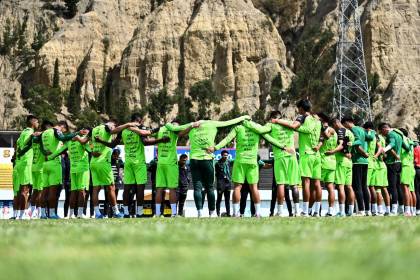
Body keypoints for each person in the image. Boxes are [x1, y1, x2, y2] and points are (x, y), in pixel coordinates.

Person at [166, 115, 249, 217]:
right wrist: (243, 117)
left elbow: (174, 129)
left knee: (197, 188)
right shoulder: (212, 123)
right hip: (207, 159)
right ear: (209, 120)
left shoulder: (193, 125)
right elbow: (230, 122)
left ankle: (200, 213)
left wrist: (167, 124)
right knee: (209, 188)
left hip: (194, 159)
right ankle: (212, 212)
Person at [209, 120, 280, 218]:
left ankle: (235, 213)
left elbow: (227, 139)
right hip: (252, 162)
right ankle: (258, 213)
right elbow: (270, 139)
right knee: (254, 187)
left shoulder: (238, 128)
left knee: (237, 187)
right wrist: (283, 147)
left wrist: (215, 148)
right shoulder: (257, 129)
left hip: (240, 161)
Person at [271, 99, 322, 216]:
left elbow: (294, 126)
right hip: (317, 156)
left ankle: (304, 211)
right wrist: (319, 145)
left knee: (306, 183)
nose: (298, 111)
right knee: (317, 184)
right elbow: (323, 136)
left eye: (298, 109)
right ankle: (315, 212)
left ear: (302, 109)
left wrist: (277, 121)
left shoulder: (303, 117)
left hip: (306, 154)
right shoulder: (317, 120)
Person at [244, 111, 299, 217]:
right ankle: (297, 211)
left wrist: (247, 123)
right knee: (294, 185)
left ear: (272, 118)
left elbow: (260, 130)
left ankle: (280, 212)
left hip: (280, 157)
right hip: (292, 156)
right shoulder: (289, 123)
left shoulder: (271, 125)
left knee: (281, 185)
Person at [89, 118, 140, 219]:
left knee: (96, 189)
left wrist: (92, 150)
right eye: (114, 126)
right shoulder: (108, 127)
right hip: (103, 162)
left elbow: (87, 141)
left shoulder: (94, 129)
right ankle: (116, 212)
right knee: (111, 187)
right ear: (113, 124)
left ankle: (97, 213)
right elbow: (112, 131)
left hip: (93, 162)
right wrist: (127, 124)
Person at [42, 121, 86, 219]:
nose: (63, 132)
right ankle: (52, 214)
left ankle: (42, 214)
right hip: (54, 163)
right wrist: (77, 133)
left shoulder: (44, 132)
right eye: (64, 130)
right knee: (53, 190)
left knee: (44, 190)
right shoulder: (56, 130)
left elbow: (41, 146)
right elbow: (62, 138)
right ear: (62, 127)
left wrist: (45, 154)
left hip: (45, 162)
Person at [153, 119, 192, 217]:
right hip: (171, 164)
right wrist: (192, 125)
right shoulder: (174, 131)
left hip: (160, 163)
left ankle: (157, 213)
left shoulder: (161, 130)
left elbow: (150, 134)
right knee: (172, 189)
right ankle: (174, 213)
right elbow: (183, 131)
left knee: (159, 189)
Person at [342, 117, 370, 216]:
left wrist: (351, 143)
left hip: (357, 161)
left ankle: (361, 210)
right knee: (364, 186)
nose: (345, 128)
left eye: (344, 125)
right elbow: (369, 138)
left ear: (346, 123)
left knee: (357, 187)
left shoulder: (353, 129)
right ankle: (367, 210)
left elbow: (358, 142)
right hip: (365, 161)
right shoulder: (361, 129)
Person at [328, 118, 355, 216]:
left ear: (336, 123)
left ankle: (342, 211)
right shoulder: (350, 132)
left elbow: (341, 145)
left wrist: (332, 151)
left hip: (341, 162)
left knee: (340, 187)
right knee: (349, 187)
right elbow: (349, 145)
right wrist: (348, 153)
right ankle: (351, 211)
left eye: (333, 126)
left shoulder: (340, 130)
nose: (334, 128)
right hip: (349, 162)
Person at [14, 115, 39, 219]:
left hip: (19, 163)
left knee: (19, 191)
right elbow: (27, 145)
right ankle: (23, 215)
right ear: (33, 123)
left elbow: (16, 147)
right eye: (37, 122)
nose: (38, 124)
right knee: (25, 190)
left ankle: (17, 215)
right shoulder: (29, 132)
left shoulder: (22, 132)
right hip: (25, 163)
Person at [379, 123, 404, 215]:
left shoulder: (391, 135)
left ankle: (393, 210)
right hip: (398, 163)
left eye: (382, 132)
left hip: (391, 163)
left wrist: (384, 150)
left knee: (393, 187)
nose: (382, 134)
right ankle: (401, 209)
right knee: (398, 187)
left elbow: (392, 144)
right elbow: (406, 146)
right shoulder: (399, 134)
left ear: (385, 129)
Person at [318, 113, 337, 216]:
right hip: (332, 162)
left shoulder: (325, 130)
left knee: (318, 187)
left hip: (322, 161)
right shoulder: (335, 132)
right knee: (330, 187)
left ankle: (317, 210)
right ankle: (330, 210)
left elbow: (325, 137)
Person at [372, 130, 390, 216]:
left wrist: (375, 156)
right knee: (384, 188)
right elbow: (385, 153)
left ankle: (379, 210)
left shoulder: (376, 138)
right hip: (383, 165)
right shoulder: (383, 138)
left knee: (377, 189)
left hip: (378, 165)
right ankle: (388, 210)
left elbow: (380, 149)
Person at [398, 128, 415, 216]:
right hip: (410, 166)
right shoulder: (410, 140)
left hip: (405, 165)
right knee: (409, 189)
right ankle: (411, 211)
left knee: (405, 188)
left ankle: (407, 211)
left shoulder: (403, 140)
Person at [364, 121, 379, 215]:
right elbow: (380, 147)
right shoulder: (376, 135)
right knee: (372, 187)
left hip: (368, 163)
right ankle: (375, 209)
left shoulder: (369, 133)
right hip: (373, 163)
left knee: (365, 187)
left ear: (367, 128)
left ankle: (368, 209)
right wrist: (376, 155)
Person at [215, 150, 233, 217]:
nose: (225, 157)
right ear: (221, 155)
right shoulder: (217, 163)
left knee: (227, 200)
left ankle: (228, 214)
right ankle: (218, 214)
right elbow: (216, 173)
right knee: (219, 199)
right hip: (221, 183)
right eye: (224, 155)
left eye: (226, 155)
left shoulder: (228, 162)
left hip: (228, 183)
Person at [414, 141, 420, 214]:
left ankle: (418, 209)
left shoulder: (415, 149)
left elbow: (415, 160)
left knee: (417, 191)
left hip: (417, 169)